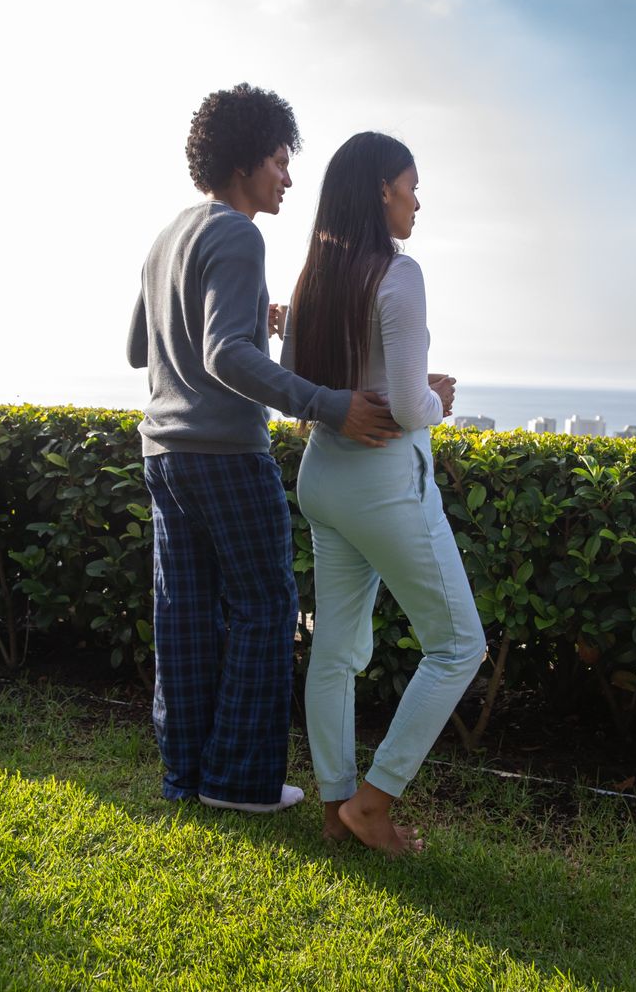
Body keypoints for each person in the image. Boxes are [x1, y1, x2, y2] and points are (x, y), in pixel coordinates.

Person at [127, 86, 400, 813]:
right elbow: (224, 355)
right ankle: (240, 783)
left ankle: (186, 775)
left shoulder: (167, 237)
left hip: (163, 455)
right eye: (280, 161)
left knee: (182, 613)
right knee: (264, 607)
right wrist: (329, 405)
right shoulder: (242, 236)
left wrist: (257, 316)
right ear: (247, 161)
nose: (287, 177)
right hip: (224, 453)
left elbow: (139, 347)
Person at [281, 131, 487, 853]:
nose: (416, 200)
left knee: (335, 649)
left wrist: (395, 394)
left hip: (323, 478)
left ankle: (336, 803)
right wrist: (438, 400)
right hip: (384, 489)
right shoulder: (400, 276)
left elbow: (296, 392)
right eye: (410, 185)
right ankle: (373, 804)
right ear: (381, 191)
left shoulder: (313, 277)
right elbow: (405, 408)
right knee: (460, 646)